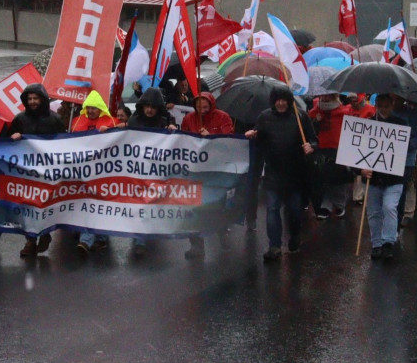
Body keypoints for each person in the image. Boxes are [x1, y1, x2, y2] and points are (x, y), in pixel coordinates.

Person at [245, 85, 316, 262]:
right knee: (272, 210)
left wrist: (311, 146)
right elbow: (258, 136)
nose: (281, 103)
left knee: (294, 211)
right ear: (273, 101)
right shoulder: (264, 117)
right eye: (278, 100)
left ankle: (294, 236)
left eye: (284, 100)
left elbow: (314, 139)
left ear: (289, 101)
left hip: (296, 174)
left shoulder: (301, 117)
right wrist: (252, 135)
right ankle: (274, 246)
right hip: (273, 174)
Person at [2, 83, 65, 257]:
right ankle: (30, 240)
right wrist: (13, 136)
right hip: (27, 171)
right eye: (29, 99)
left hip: (47, 170)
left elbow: (65, 143)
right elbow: (7, 142)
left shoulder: (55, 119)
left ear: (42, 99)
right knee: (29, 205)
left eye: (35, 98)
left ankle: (44, 234)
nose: (32, 102)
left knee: (44, 204)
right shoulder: (20, 119)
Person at [180, 91, 235, 260]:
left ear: (211, 105)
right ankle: (196, 246)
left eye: (205, 107)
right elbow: (183, 139)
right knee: (192, 206)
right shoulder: (189, 119)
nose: (201, 110)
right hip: (195, 170)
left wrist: (211, 138)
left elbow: (230, 141)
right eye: (198, 106)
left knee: (216, 206)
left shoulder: (223, 117)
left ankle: (221, 232)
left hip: (216, 171)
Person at [125, 87, 177, 257]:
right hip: (138, 170)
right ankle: (140, 239)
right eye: (146, 106)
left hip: (157, 171)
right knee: (141, 203)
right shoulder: (133, 121)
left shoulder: (165, 122)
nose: (149, 110)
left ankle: (148, 233)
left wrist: (172, 130)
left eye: (153, 107)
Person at [361, 94, 407, 260]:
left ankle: (388, 242)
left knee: (389, 208)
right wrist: (360, 170)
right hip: (372, 178)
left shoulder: (401, 125)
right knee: (373, 212)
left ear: (392, 105)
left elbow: (404, 149)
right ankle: (376, 244)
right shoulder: (368, 124)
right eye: (380, 106)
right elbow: (356, 151)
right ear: (376, 105)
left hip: (394, 178)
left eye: (386, 106)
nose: (383, 109)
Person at [71, 91, 116, 255]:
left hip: (104, 172)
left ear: (100, 109)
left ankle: (97, 239)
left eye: (94, 108)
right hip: (83, 171)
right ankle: (87, 239)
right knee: (89, 204)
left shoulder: (110, 122)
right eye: (88, 108)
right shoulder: (76, 122)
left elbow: (123, 136)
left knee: (100, 204)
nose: (90, 111)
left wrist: (112, 131)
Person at [307, 93, 353, 220]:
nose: (325, 98)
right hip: (321, 148)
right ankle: (325, 205)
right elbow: (310, 129)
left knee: (338, 178)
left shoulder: (344, 111)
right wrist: (315, 121)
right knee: (323, 178)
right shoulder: (315, 111)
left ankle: (339, 204)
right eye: (323, 96)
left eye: (329, 96)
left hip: (339, 148)